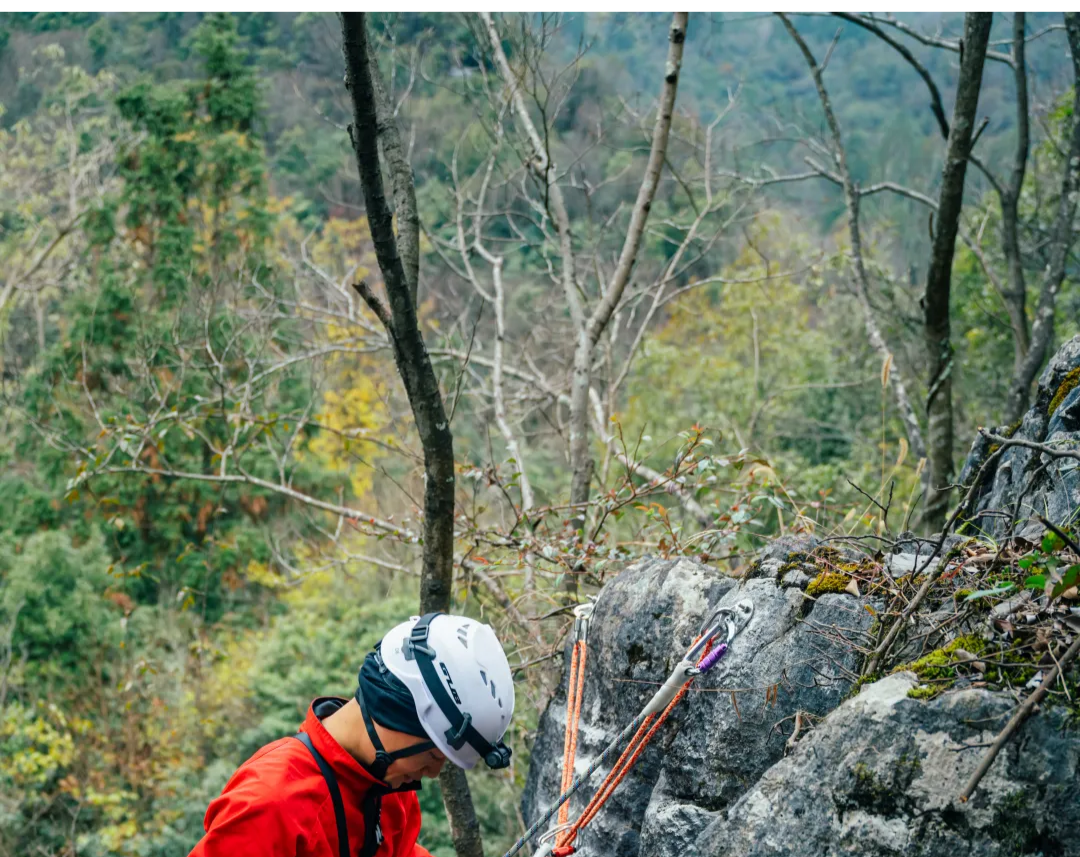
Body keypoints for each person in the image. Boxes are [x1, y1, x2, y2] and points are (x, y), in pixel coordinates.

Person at [188, 612, 515, 857]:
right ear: (393, 714)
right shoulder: (271, 804)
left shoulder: (389, 789)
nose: (432, 773)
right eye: (432, 755)